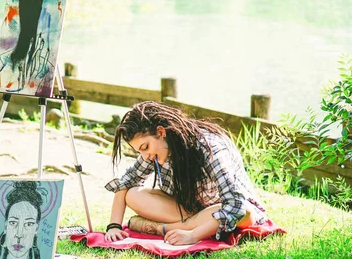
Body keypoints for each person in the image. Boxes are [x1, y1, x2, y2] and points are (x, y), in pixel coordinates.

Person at [104, 101, 268, 246]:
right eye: (140, 151)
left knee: (246, 211)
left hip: (223, 211)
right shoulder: (153, 153)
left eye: (145, 147)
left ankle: (162, 228)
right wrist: (114, 226)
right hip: (191, 211)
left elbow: (235, 206)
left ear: (161, 132)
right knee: (132, 194)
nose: (145, 156)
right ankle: (185, 225)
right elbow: (126, 182)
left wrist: (193, 235)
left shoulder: (210, 148)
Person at [0, 181, 42, 259]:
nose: (19, 234)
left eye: (29, 224)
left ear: (36, 229)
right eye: (13, 223)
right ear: (6, 226)